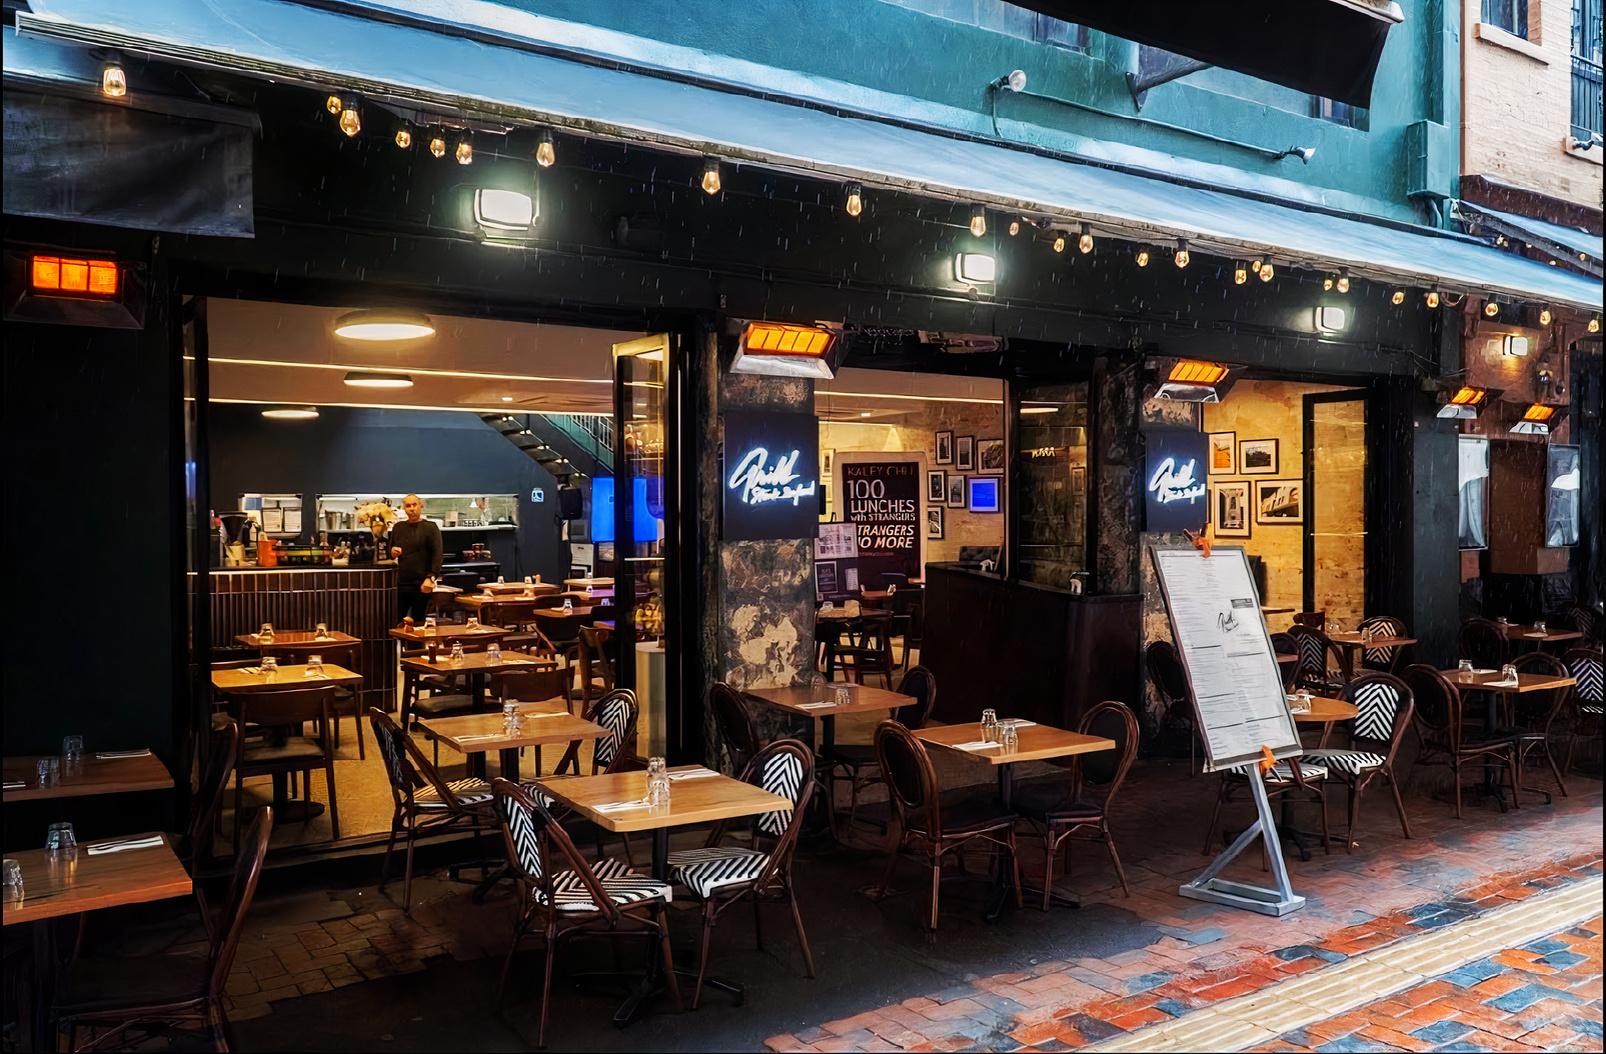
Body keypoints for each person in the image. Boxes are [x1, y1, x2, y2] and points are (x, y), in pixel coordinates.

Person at [390, 494, 442, 623]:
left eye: (415, 505)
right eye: (408, 506)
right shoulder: (398, 527)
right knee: (397, 622)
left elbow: (437, 553)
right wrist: (392, 552)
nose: (412, 509)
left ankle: (416, 644)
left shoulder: (430, 527)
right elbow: (390, 549)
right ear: (404, 508)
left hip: (422, 583)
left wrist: (431, 577)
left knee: (418, 623)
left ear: (421, 506)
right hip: (402, 583)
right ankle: (401, 644)